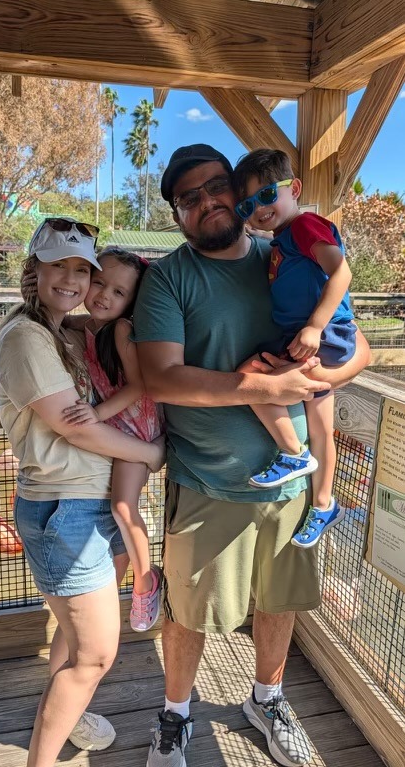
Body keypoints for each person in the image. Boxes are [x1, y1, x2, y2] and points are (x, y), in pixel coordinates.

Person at [132, 144, 371, 767]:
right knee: (189, 612)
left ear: (238, 191)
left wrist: (314, 379)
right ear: (177, 214)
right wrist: (266, 389)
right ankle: (175, 714)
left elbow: (360, 348)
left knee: (280, 600)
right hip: (209, 479)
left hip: (293, 484)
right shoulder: (169, 278)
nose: (208, 201)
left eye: (216, 186)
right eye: (188, 197)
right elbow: (160, 378)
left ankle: (267, 700)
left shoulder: (286, 250)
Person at [0, 217, 165, 767]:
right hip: (68, 507)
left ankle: (70, 713)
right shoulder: (27, 337)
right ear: (33, 270)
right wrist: (152, 453)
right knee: (94, 655)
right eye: (58, 266)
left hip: (90, 500)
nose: (72, 280)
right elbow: (78, 429)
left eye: (81, 270)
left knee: (74, 638)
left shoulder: (60, 331)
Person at [233, 148, 356, 548]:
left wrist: (315, 327)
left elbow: (342, 272)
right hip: (304, 336)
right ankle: (324, 505)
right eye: (247, 206)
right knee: (321, 430)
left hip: (322, 334)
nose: (259, 209)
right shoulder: (282, 242)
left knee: (249, 376)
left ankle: (293, 453)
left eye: (268, 194)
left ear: (295, 188)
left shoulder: (304, 226)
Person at [61, 246, 164, 632]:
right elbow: (62, 321)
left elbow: (139, 385)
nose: (104, 295)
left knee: (123, 507)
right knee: (116, 507)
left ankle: (145, 582)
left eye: (119, 292)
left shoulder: (121, 330)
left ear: (131, 301)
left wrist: (97, 414)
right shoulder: (87, 324)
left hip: (135, 429)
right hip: (117, 428)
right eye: (99, 283)